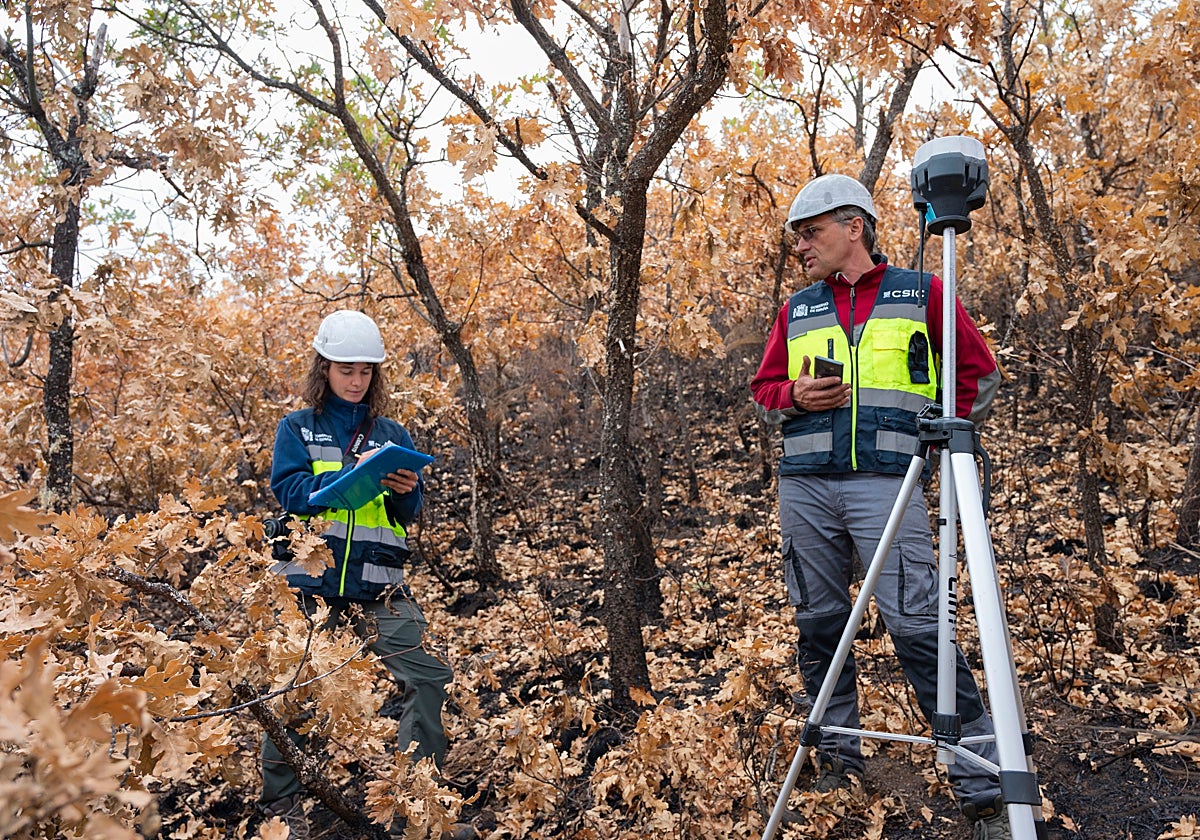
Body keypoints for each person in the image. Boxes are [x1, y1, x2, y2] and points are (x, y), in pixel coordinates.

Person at [750, 174, 1011, 840]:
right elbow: (765, 389)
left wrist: (940, 434)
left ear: (854, 228)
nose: (801, 247)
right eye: (798, 237)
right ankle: (838, 762)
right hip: (805, 487)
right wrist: (793, 397)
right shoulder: (796, 310)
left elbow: (978, 375)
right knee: (819, 625)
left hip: (888, 485)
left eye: (811, 233)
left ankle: (981, 785)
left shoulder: (921, 292)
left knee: (918, 626)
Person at [263, 309, 474, 840]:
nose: (357, 381)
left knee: (429, 676)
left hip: (380, 586)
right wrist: (345, 478)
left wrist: (407, 491)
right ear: (324, 369)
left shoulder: (391, 433)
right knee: (295, 691)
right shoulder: (297, 427)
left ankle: (416, 805)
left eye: (365, 372)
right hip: (311, 586)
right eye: (346, 370)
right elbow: (289, 492)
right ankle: (282, 809)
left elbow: (405, 516)